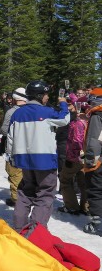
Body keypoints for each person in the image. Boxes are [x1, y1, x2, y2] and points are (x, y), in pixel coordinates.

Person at [7, 80, 69, 232]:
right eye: (46, 94)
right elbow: (64, 119)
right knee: (45, 193)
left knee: (25, 192)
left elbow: (10, 137)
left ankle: (19, 226)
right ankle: (37, 231)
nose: (47, 97)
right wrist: (63, 103)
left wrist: (11, 157)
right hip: (44, 160)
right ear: (40, 95)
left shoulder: (17, 113)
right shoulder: (46, 112)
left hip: (24, 159)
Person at [57, 101, 88, 215]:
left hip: (76, 157)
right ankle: (86, 207)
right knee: (83, 181)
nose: (69, 108)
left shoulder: (77, 122)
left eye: (71, 105)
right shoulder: (89, 121)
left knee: (65, 179)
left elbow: (77, 141)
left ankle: (72, 206)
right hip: (87, 157)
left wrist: (71, 158)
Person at [0, 87, 27, 207]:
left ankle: (16, 199)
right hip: (31, 148)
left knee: (14, 173)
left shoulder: (11, 112)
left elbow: (4, 130)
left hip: (15, 147)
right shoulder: (33, 110)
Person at [83, 88, 102, 236]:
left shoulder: (97, 115)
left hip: (99, 161)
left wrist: (90, 161)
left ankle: (97, 223)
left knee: (96, 190)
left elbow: (94, 141)